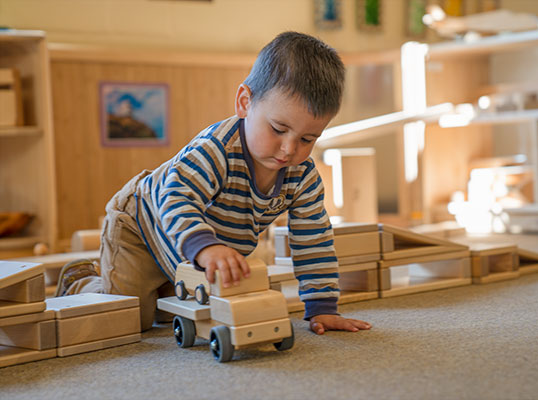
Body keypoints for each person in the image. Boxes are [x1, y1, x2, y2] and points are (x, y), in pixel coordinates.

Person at [55, 31, 371, 336]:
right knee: (127, 319)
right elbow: (177, 198)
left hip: (187, 248)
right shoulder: (215, 150)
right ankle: (81, 280)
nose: (289, 149)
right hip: (141, 226)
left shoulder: (302, 176)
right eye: (278, 129)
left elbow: (313, 239)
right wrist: (206, 248)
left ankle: (166, 280)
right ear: (245, 102)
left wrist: (322, 305)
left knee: (175, 313)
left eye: (307, 138)